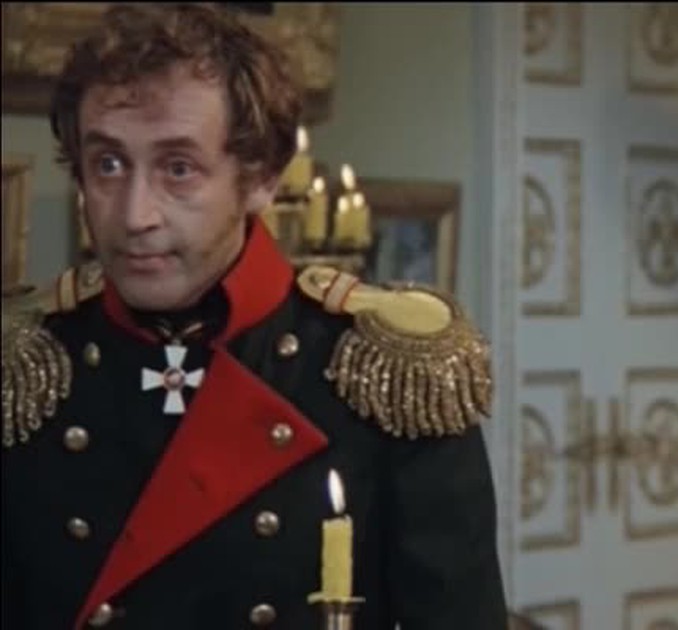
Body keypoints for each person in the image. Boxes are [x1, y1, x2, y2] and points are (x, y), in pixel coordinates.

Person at [0, 4, 506, 629]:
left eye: (178, 169)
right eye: (108, 164)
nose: (134, 216)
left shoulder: (385, 374)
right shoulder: (23, 368)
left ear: (262, 177)